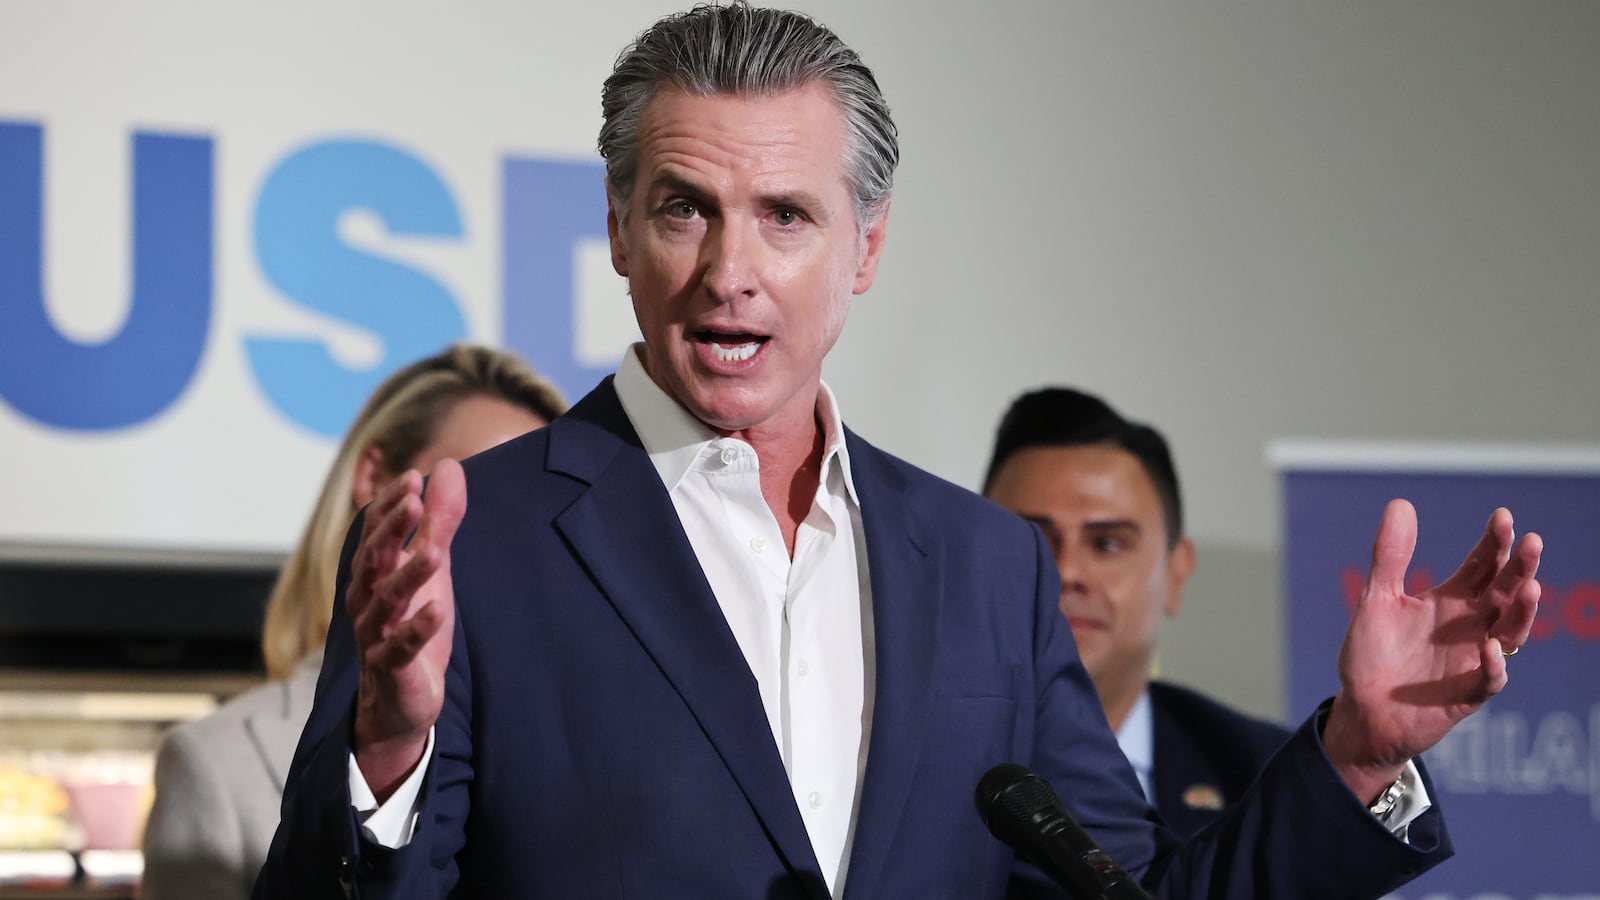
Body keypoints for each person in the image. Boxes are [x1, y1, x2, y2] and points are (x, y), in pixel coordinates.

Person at [253, 5, 1544, 898]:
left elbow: (1131, 890)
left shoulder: (982, 563)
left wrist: (1360, 756)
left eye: (786, 217)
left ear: (865, 248)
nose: (729, 272)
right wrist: (386, 755)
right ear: (617, 229)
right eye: (683, 209)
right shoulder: (473, 533)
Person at [140, 344, 566, 900]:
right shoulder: (216, 764)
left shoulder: (579, 743)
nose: (506, 546)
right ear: (374, 479)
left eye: (536, 514)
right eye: (479, 497)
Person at [983, 387, 1291, 837]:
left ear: (1176, 573)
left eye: (1107, 543)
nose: (1067, 571)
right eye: (1033, 540)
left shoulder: (1264, 778)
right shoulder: (902, 754)